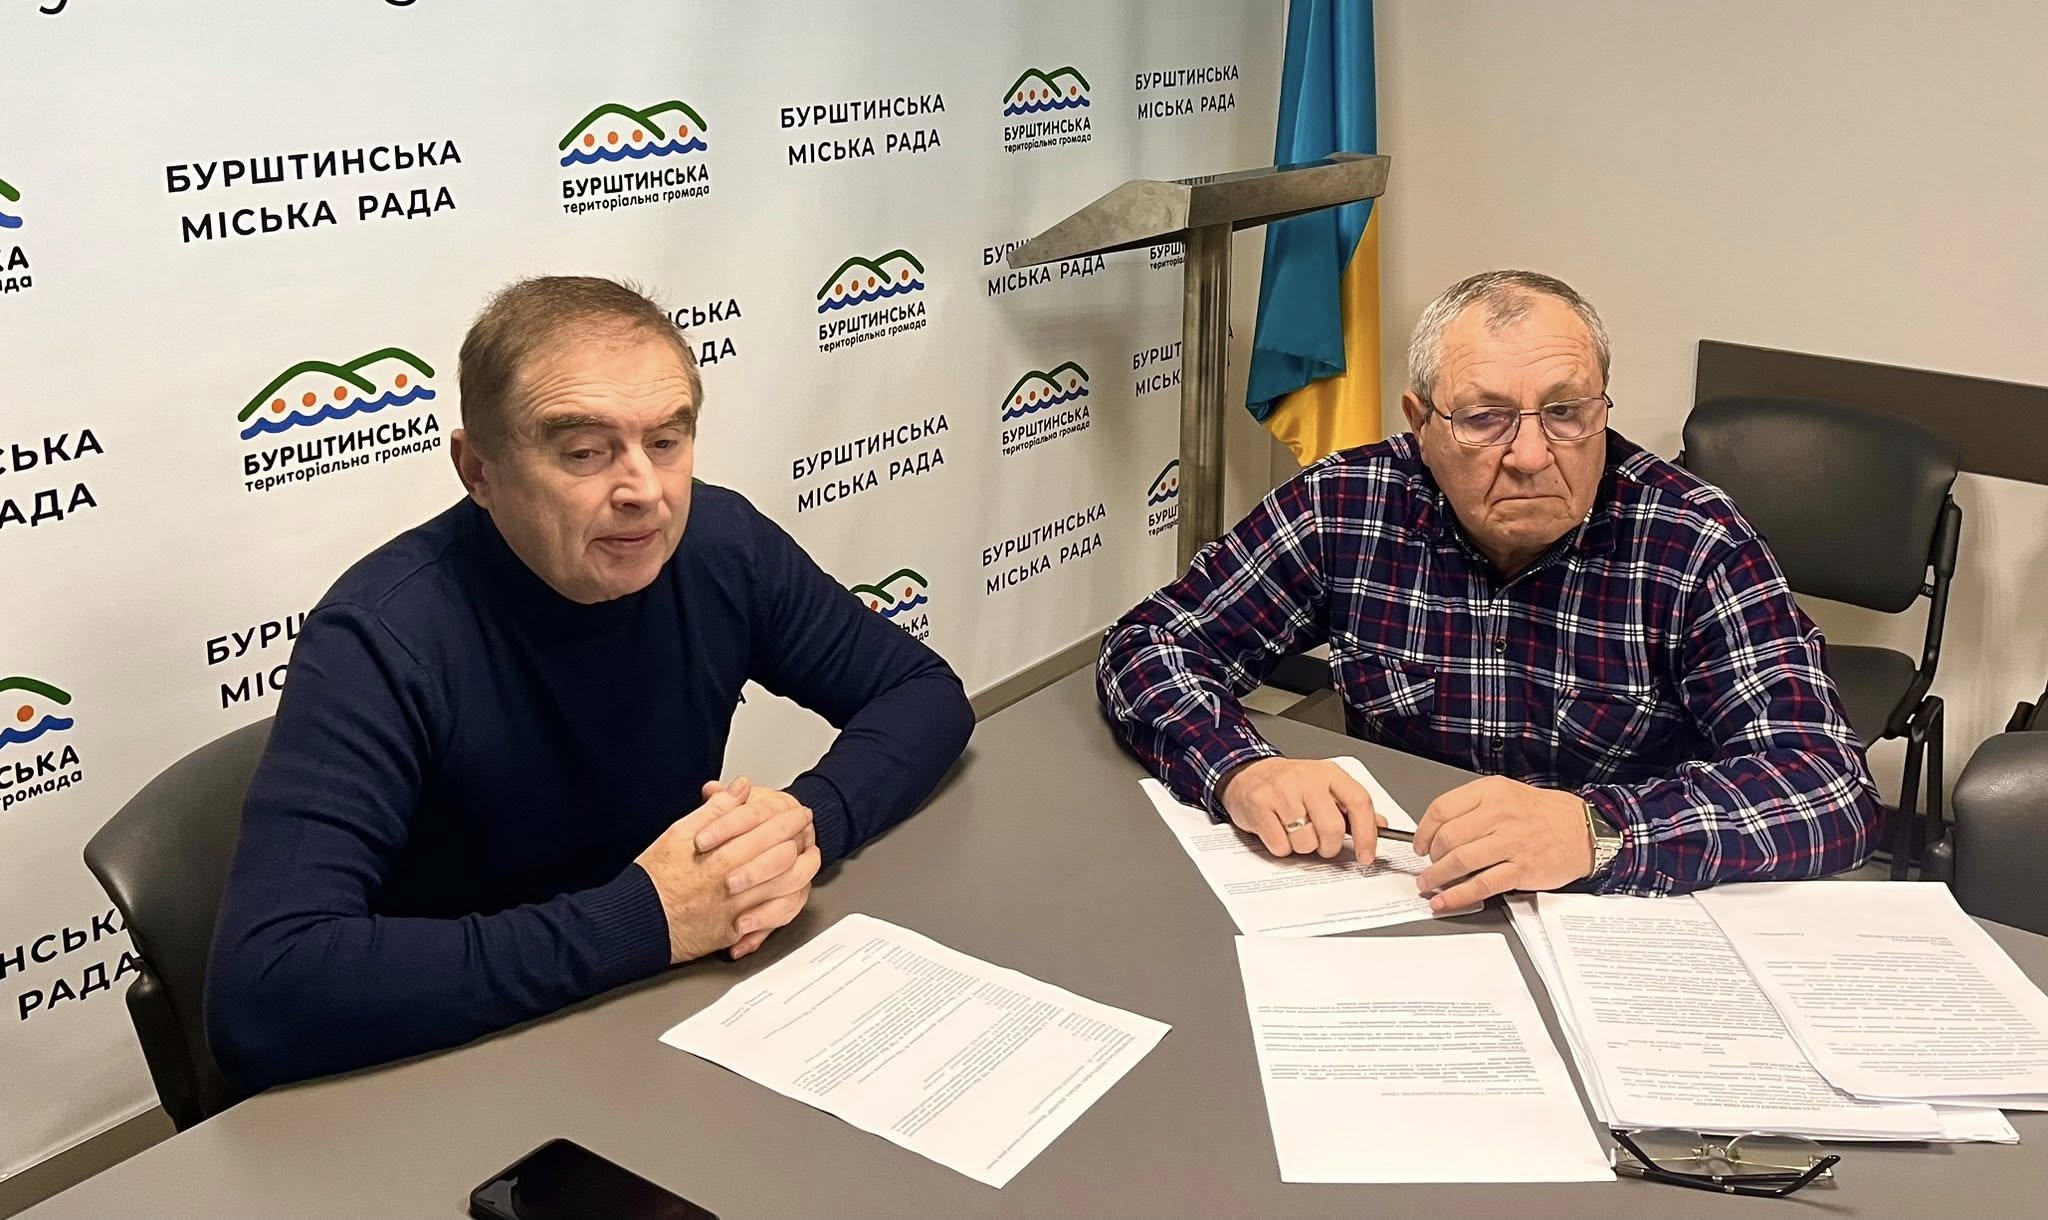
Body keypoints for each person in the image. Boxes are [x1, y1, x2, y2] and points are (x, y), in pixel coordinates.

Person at [208, 276, 973, 1091]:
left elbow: (923, 693)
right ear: (478, 471)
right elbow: (265, 992)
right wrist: (650, 919)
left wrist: (800, 828)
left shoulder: (721, 546)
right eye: (584, 452)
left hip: (658, 1018)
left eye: (666, 442)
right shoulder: (381, 637)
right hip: (456, 1062)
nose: (644, 491)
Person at [1098, 269, 1879, 910]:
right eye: (1484, 418)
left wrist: (1601, 830)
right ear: (1421, 424)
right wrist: (1243, 768)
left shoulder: (1693, 541)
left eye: (1566, 413)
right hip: (1401, 886)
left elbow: (1828, 785)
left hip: (1611, 907)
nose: (1533, 455)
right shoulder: (1347, 505)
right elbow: (1152, 644)